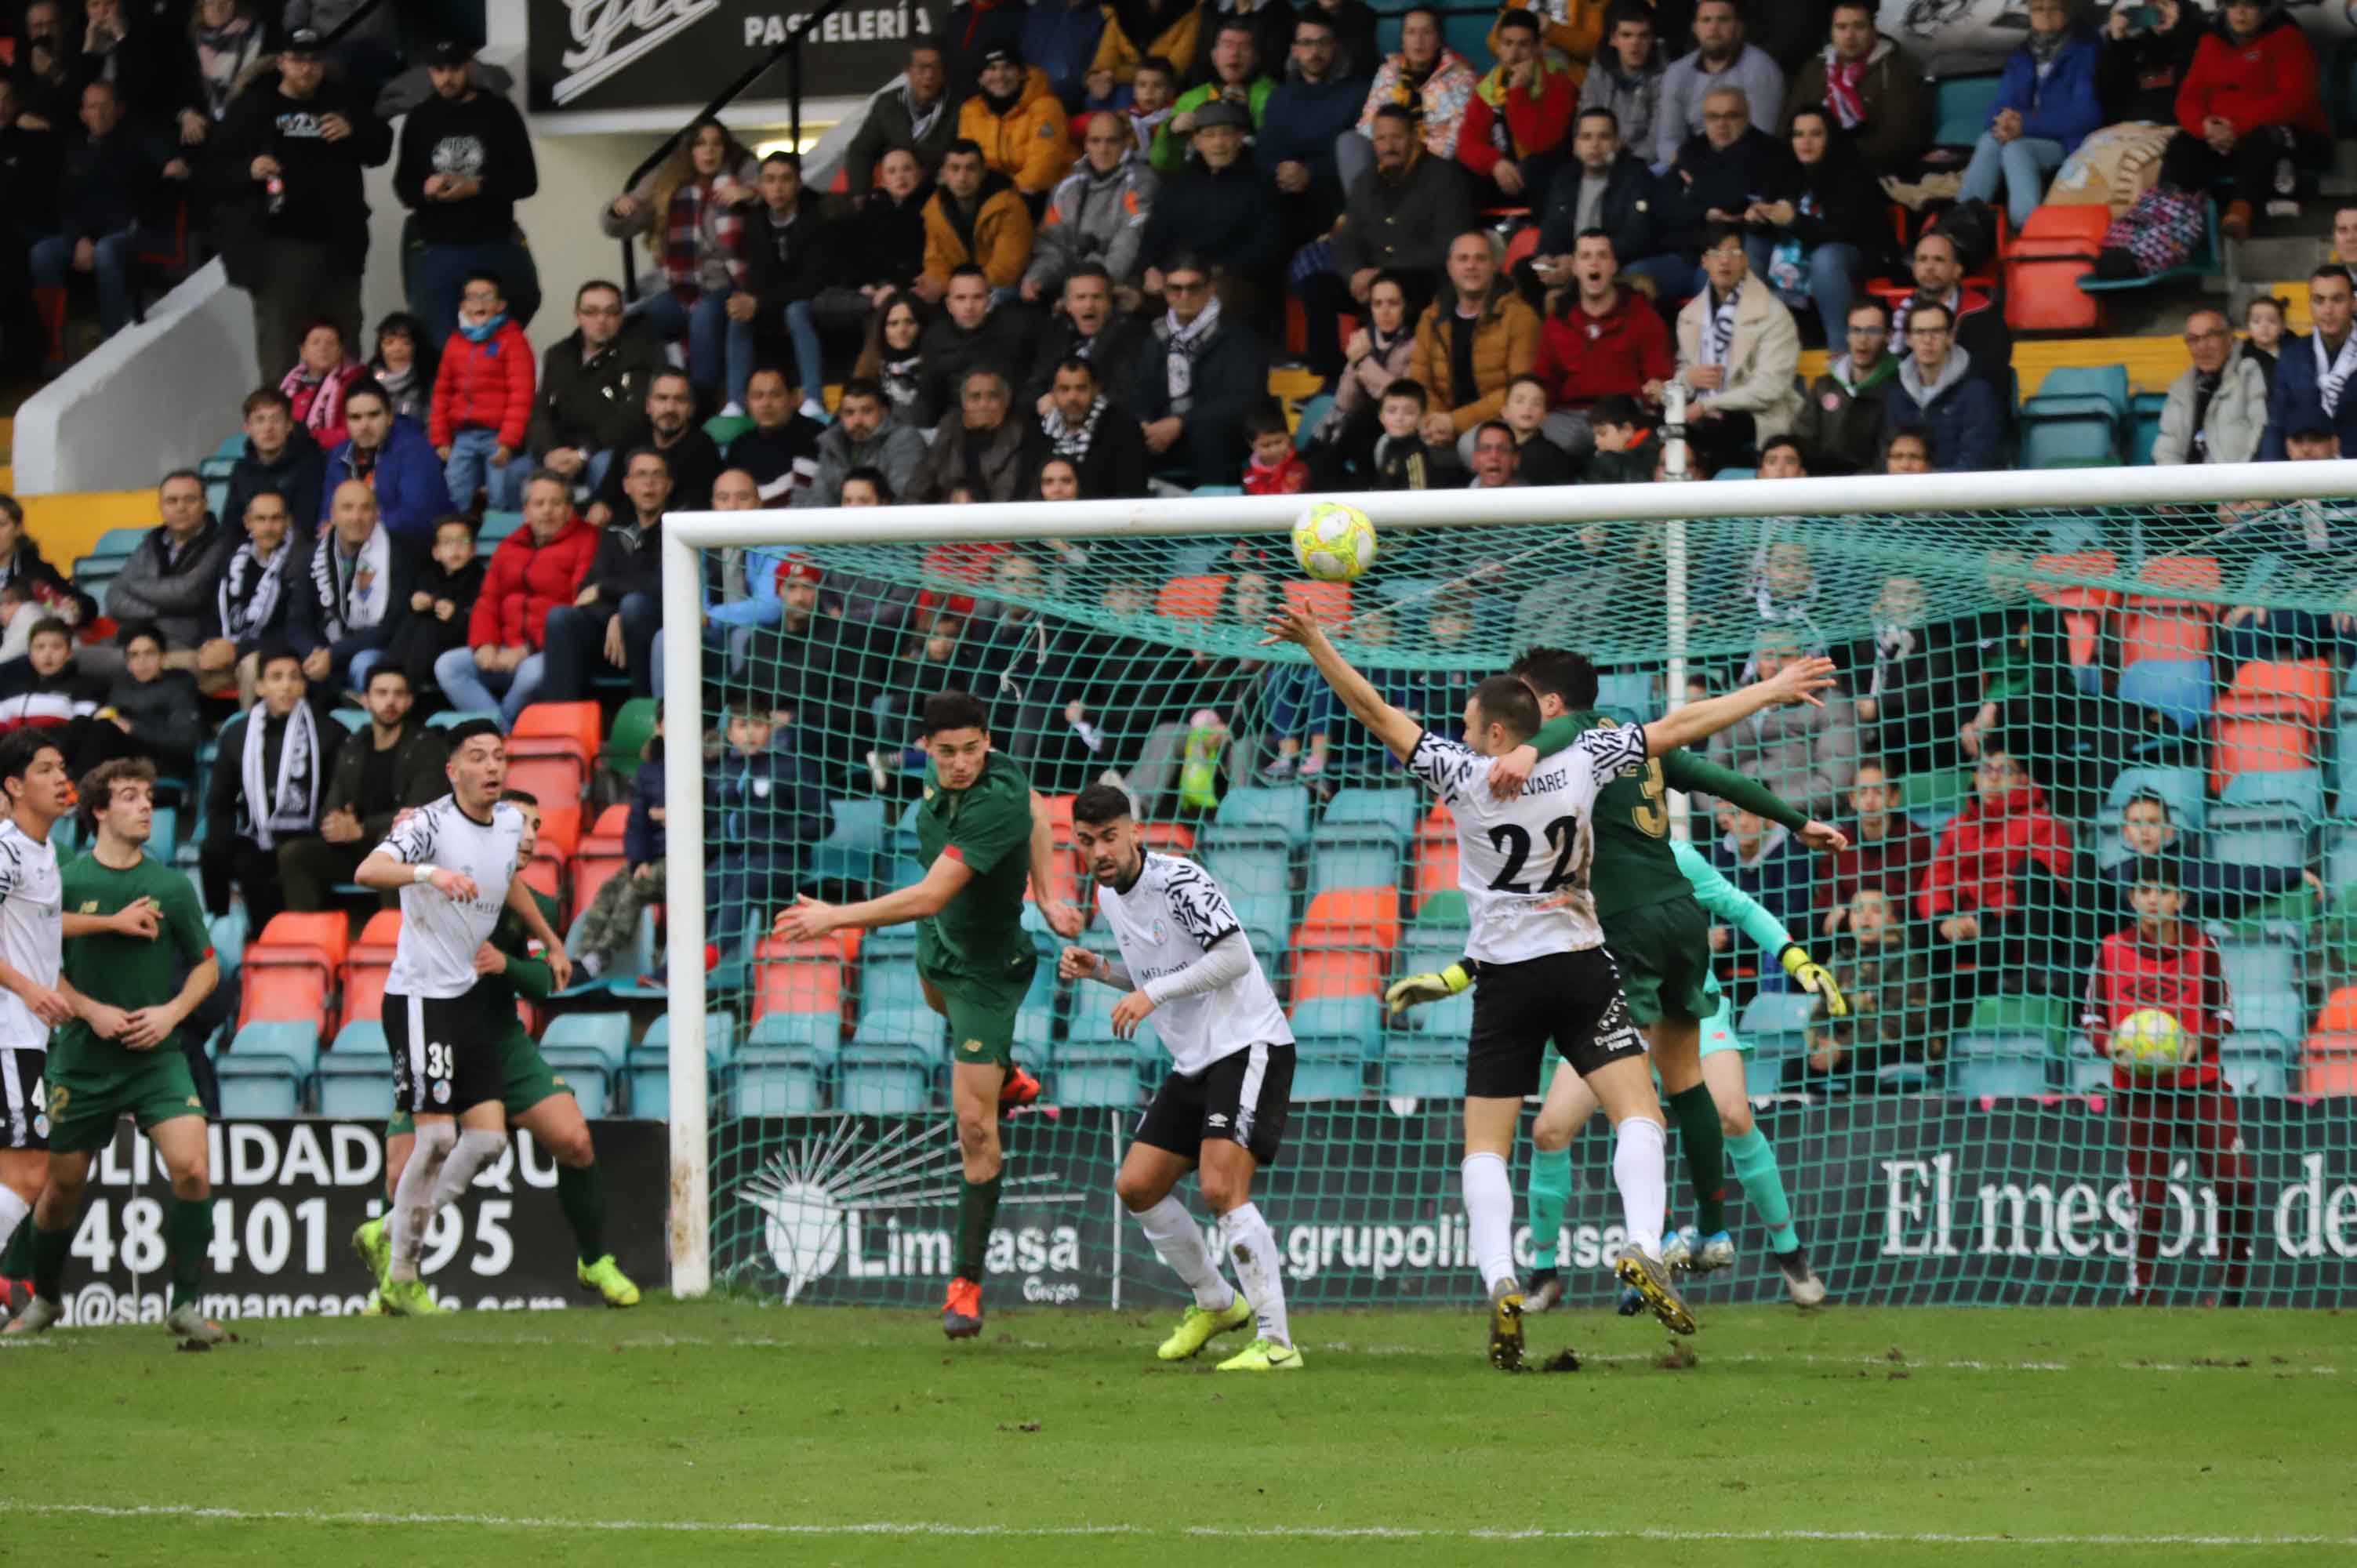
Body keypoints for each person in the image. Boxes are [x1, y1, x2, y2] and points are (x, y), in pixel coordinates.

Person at [1277, 615, 1834, 1359]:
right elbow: (1682, 726)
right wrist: (1772, 688)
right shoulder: (1588, 761)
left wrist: (1317, 644)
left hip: (1504, 981)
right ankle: (1643, 1241)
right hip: (1580, 966)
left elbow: (1374, 709)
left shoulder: (1461, 775)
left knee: (1487, 1144)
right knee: (1642, 1112)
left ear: (1499, 733)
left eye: (1472, 728)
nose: (1464, 737)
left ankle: (1504, 1280)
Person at [1414, 646, 1849, 1301]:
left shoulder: (1568, 748)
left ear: (1551, 706)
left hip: (1617, 934)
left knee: (1615, 1110)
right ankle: (1704, 1234)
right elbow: (1708, 773)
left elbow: (1561, 742)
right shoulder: (1626, 738)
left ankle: (1652, 1244)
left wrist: (1528, 751)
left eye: (1530, 700)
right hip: (1677, 915)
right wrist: (1797, 820)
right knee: (1679, 1086)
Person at [774, 690, 1084, 1339]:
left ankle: (965, 1284)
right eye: (948, 753)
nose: (962, 763)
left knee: (974, 1130)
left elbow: (934, 890)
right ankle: (1004, 1079)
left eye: (974, 749)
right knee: (931, 1002)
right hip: (940, 950)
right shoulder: (943, 778)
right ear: (927, 750)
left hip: (989, 971)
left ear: (987, 742)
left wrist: (834, 917)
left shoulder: (993, 797)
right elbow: (1037, 813)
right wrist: (1049, 895)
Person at [1523, 838, 1838, 1309]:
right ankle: (1547, 1274)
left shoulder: (1675, 856)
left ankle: (1790, 1256)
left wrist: (1796, 958)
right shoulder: (1571, 862)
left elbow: (1742, 908)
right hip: (1614, 1009)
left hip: (1691, 1003)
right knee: (1550, 1130)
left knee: (1732, 1114)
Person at [353, 789, 635, 1312]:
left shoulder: (535, 906)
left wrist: (511, 963)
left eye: (535, 826)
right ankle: (391, 1286)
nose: (528, 835)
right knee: (402, 1167)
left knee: (573, 1140)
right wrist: (408, 841)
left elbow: (544, 986)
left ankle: (595, 1259)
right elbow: (385, 869)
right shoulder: (446, 857)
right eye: (519, 824)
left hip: (498, 1039)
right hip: (430, 1023)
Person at [1062, 784, 1302, 1370]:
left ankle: (1276, 1341)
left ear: (1135, 830)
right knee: (1137, 1185)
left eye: (1110, 837)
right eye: (1088, 841)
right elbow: (1157, 972)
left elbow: (1233, 958)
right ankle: (1217, 1302)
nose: (1100, 851)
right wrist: (1105, 973)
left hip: (1249, 1043)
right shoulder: (1108, 896)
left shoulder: (1181, 881)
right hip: (1194, 1059)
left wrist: (1151, 993)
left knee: (1221, 1190)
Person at [0, 749, 231, 1343]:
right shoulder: (66, 876)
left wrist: (172, 1012)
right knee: (55, 1190)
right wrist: (89, 1009)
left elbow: (208, 968)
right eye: (129, 797)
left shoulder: (170, 886)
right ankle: (44, 1298)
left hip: (157, 1057)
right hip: (82, 1058)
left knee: (193, 1169)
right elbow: (41, 956)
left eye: (149, 798)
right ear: (98, 810)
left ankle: (185, 1304)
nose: (144, 807)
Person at [349, 721, 568, 1316]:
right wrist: (430, 874)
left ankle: (387, 1230)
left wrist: (551, 940)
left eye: (500, 756)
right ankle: (402, 1275)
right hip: (420, 998)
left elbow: (507, 882)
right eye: (478, 757)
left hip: (467, 999)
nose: (493, 767)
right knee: (439, 1136)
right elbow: (368, 871)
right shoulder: (428, 825)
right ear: (454, 771)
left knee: (490, 1141)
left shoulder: (507, 825)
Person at [2082, 858, 2251, 1305]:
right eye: (2144, 890)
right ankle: (2146, 1296)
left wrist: (2199, 1042)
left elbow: (2227, 1014)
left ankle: (2231, 1291)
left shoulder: (2205, 948)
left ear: (2181, 899)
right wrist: (2109, 1047)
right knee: (2148, 1200)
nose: (2153, 898)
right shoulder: (2111, 949)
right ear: (2133, 898)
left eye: (2163, 890)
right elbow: (2091, 1018)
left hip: (2202, 1086)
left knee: (2237, 1184)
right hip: (2140, 1091)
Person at [212, 27, 390, 377]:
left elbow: (381, 147)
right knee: (281, 352)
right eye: (297, 60)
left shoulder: (342, 99)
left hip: (339, 242)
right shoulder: (253, 106)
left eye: (313, 60)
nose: (306, 69)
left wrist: (354, 130)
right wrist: (249, 169)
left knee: (344, 345)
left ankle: (345, 425)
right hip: (278, 246)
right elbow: (213, 170)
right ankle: (282, 429)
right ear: (281, 63)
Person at [1298, 102, 1471, 383]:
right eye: (1381, 138)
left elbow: (1450, 247)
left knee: (1397, 289)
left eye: (1396, 137)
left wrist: (1382, 275)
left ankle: (1396, 374)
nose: (1388, 146)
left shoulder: (1444, 177)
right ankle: (1329, 380)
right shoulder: (1365, 182)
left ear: (1415, 137)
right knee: (1317, 286)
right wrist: (1354, 274)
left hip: (1423, 279)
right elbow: (1346, 240)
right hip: (1371, 282)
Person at [27, 78, 189, 367]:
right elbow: (65, 203)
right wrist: (78, 240)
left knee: (106, 251)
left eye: (104, 106)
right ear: (82, 114)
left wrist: (172, 166)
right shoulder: (76, 147)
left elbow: (170, 164)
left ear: (118, 110)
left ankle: (112, 342)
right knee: (43, 254)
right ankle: (51, 346)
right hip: (84, 237)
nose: (98, 114)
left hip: (129, 234)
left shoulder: (137, 140)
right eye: (92, 107)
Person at [600, 118, 759, 408]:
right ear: (690, 151)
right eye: (701, 145)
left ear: (726, 149)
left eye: (716, 144)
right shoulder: (669, 182)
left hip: (727, 285)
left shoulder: (741, 173)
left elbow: (774, 192)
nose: (709, 152)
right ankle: (639, 399)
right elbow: (622, 223)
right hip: (680, 287)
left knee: (704, 316)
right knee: (633, 324)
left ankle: (703, 403)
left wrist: (750, 193)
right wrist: (618, 209)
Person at [394, 38, 539, 339]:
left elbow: (527, 181)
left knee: (506, 327)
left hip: (494, 242)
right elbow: (404, 187)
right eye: (438, 69)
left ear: (469, 66)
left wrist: (477, 187)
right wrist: (426, 190)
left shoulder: (500, 112)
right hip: (437, 247)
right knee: (437, 341)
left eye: (455, 68)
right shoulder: (419, 118)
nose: (447, 77)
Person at [277, 664, 444, 912]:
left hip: (406, 850)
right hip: (357, 849)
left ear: (409, 701)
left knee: (393, 842)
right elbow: (333, 800)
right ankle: (311, 939)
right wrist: (334, 823)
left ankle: (391, 934)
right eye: (382, 693)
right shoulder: (354, 745)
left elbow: (418, 814)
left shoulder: (427, 746)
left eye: (398, 694)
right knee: (295, 854)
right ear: (365, 700)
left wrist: (361, 830)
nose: (390, 701)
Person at [435, 472, 596, 728]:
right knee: (448, 666)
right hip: (503, 649)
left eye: (555, 503)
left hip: (546, 652)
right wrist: (484, 644)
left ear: (568, 509)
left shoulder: (586, 541)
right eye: (539, 503)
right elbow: (488, 601)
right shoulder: (509, 547)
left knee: (532, 674)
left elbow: (575, 610)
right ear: (526, 511)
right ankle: (506, 735)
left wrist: (526, 650)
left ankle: (498, 732)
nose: (547, 511)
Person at [199, 644, 340, 932]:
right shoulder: (238, 734)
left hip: (310, 837)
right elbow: (219, 802)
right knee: (216, 850)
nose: (286, 686)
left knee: (289, 859)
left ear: (303, 685)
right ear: (261, 687)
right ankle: (221, 933)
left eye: (294, 677)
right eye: (277, 678)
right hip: (257, 835)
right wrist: (221, 838)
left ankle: (282, 943)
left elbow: (338, 795)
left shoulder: (329, 731)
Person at [1919, 748, 2072, 1004]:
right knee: (1921, 936)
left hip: (2010, 923)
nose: (1993, 778)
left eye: (2005, 770)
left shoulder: (2043, 824)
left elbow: (2044, 885)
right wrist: (1944, 917)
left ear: (2023, 779)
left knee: (1998, 937)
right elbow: (1936, 880)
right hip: (1962, 920)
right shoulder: (1956, 827)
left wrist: (1986, 914)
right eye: (1986, 769)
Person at [2165, 0, 2326, 241]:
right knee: (2182, 143)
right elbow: (2189, 97)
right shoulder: (2210, 42)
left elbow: (2295, 100)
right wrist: (2204, 126)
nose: (2240, 13)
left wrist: (2236, 127)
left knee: (2261, 139)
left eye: (2249, 5)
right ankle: (2171, 217)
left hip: (2285, 135)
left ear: (2265, 9)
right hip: (2222, 137)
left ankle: (2240, 213)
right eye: (2233, 5)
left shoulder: (2286, 37)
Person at [1665, 221, 1803, 467]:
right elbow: (1684, 375)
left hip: (1759, 418)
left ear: (1745, 261)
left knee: (1717, 432)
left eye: (1733, 253)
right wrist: (1685, 380)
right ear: (1704, 262)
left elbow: (1768, 389)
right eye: (1716, 254)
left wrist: (1707, 404)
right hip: (1705, 416)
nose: (1725, 261)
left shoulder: (1773, 314)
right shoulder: (1690, 316)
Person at [1530, 229, 1673, 465]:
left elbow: (1660, 375)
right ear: (1575, 267)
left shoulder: (1641, 314)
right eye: (1586, 256)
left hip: (1623, 416)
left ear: (1614, 266)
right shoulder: (1558, 319)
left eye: (1602, 256)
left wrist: (1655, 391)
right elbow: (1544, 379)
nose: (1594, 263)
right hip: (1569, 418)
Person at [1959, 0, 2101, 230]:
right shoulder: (2022, 54)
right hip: (2024, 133)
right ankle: (1963, 225)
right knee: (1990, 139)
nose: (2045, 15)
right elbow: (1998, 106)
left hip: (2066, 143)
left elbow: (2086, 116)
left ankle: (2027, 230)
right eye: (2038, 9)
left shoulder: (2086, 51)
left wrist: (2025, 125)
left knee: (2016, 149)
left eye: (2053, 8)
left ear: (2067, 11)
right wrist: (2003, 122)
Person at [1138, 99, 1283, 321]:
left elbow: (1267, 247)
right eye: (1209, 135)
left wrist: (1212, 275)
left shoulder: (1261, 184)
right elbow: (1154, 234)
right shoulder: (1179, 184)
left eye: (1226, 134)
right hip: (1176, 276)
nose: (1218, 143)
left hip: (1231, 280)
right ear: (1196, 141)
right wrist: (1151, 268)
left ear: (1239, 138)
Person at [1755, 106, 1887, 346]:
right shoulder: (1784, 171)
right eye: (1798, 134)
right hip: (1795, 256)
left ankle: (1841, 351)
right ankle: (1752, 342)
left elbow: (1844, 232)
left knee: (1825, 258)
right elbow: (1772, 221)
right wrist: (1757, 217)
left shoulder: (1852, 172)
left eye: (1815, 134)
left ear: (1830, 137)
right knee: (1750, 244)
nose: (1805, 142)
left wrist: (1794, 221)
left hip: (1851, 253)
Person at [543, 450, 667, 703]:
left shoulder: (676, 529)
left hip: (657, 632)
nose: (649, 483)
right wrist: (613, 615)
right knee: (560, 617)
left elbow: (664, 585)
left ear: (669, 485)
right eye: (641, 475)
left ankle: (646, 714)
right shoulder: (612, 533)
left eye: (657, 475)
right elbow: (586, 591)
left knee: (634, 607)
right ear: (626, 485)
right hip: (611, 640)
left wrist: (610, 594)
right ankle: (565, 724)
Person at [1524, 107, 1679, 308]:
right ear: (1575, 146)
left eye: (1604, 137)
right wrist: (1545, 259)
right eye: (1586, 137)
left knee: (1634, 279)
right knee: (1524, 272)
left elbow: (1637, 238)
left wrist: (1579, 262)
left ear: (1617, 143)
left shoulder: (1635, 176)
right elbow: (1551, 229)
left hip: (1617, 266)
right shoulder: (1565, 178)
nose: (1595, 145)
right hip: (1571, 265)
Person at [527, 281, 667, 497]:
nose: (601, 320)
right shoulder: (558, 354)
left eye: (610, 312)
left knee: (604, 465)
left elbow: (634, 414)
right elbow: (541, 411)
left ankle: (602, 530)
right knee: (515, 472)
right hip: (561, 448)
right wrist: (550, 452)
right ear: (577, 315)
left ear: (621, 316)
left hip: (609, 449)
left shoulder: (640, 351)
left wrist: (584, 454)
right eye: (591, 312)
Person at [2098, 792, 2319, 926]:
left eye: (2153, 822)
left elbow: (2236, 879)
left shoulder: (2188, 867)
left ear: (2169, 830)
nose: (2145, 830)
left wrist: (2291, 874)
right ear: (2126, 832)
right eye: (2137, 823)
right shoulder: (2113, 875)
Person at [1409, 230, 1541, 450]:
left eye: (1480, 259)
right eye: (1463, 259)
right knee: (1390, 443)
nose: (1471, 266)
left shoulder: (1521, 317)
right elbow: (1420, 383)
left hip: (1501, 422)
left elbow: (1520, 391)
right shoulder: (1431, 317)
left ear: (1495, 266)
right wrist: (1435, 421)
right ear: (1450, 267)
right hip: (1442, 422)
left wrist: (1455, 422)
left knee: (1469, 447)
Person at [1803, 884, 1936, 1087]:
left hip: (1901, 1050)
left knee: (1861, 1067)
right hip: (1844, 1050)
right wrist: (1824, 1045)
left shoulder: (1907, 962)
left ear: (1891, 920)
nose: (1865, 918)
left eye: (1875, 911)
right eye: (1857, 911)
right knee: (1796, 1070)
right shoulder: (1840, 962)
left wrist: (1842, 1049)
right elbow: (1820, 1014)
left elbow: (1899, 1023)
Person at [732, 153, 830, 422]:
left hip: (814, 300)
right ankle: (735, 402)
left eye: (786, 179)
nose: (778, 188)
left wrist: (761, 302)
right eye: (770, 180)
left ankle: (813, 398)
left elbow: (813, 281)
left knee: (796, 311)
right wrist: (749, 301)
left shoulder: (817, 217)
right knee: (736, 311)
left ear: (798, 183)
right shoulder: (755, 222)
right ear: (760, 186)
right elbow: (758, 277)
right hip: (773, 301)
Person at [293, 481, 416, 695]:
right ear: (333, 514)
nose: (356, 517)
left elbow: (391, 626)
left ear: (377, 513)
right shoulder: (311, 557)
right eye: (347, 508)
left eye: (365, 508)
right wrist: (314, 653)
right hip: (322, 652)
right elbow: (297, 619)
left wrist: (334, 654)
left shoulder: (399, 555)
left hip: (374, 649)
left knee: (363, 664)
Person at [1781, 0, 1928, 176]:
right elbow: (1786, 127)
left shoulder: (1895, 69)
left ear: (1873, 30)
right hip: (1809, 170)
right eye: (1841, 27)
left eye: (1859, 26)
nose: (1850, 36)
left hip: (1870, 173)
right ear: (1832, 32)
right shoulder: (1815, 69)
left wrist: (1834, 157)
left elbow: (1899, 139)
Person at [430, 270, 536, 515]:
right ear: (463, 306)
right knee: (455, 490)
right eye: (472, 297)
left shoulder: (513, 340)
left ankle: (499, 550)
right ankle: (459, 546)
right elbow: (441, 392)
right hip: (463, 436)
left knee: (500, 497)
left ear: (500, 305)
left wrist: (508, 440)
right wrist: (441, 438)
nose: (479, 303)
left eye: (486, 296)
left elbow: (522, 394)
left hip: (497, 436)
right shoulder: (455, 342)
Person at [1669, 83, 1793, 288]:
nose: (1721, 124)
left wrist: (1698, 190)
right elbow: (1667, 202)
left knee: (1710, 279)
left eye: (1731, 116)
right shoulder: (1691, 149)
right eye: (1713, 117)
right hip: (1692, 246)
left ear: (1747, 116)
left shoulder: (1770, 151)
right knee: (1638, 276)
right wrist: (1706, 212)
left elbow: (1743, 205)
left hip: (1742, 247)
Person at [105, 472, 235, 662]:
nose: (181, 507)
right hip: (136, 638)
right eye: (172, 501)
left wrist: (133, 586)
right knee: (76, 659)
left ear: (205, 503)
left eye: (190, 499)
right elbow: (113, 598)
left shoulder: (222, 543)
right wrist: (165, 611)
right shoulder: (152, 542)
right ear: (161, 506)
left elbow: (189, 593)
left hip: (186, 644)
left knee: (126, 665)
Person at [1257, 11, 1367, 234]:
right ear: (1295, 50)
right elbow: (1264, 152)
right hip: (1282, 201)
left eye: (1322, 43)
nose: (1315, 52)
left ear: (1334, 46)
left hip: (1336, 201)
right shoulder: (1279, 97)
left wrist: (1311, 173)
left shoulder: (1359, 93)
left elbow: (1357, 157)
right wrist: (1281, 170)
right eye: (1306, 43)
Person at [1343, 7, 1476, 192]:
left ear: (1438, 39)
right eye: (1411, 32)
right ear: (1403, 40)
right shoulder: (1389, 72)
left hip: (1436, 162)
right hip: (1390, 154)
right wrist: (1390, 150)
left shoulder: (1461, 76)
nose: (1418, 40)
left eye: (1426, 32)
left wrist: (1413, 161)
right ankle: (1363, 210)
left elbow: (1456, 136)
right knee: (1349, 142)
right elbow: (1368, 124)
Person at [1026, 121, 1157, 302]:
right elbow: (1052, 241)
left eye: (1112, 141)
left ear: (1126, 142)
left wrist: (1086, 291)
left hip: (1115, 284)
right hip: (1071, 284)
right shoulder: (1067, 183)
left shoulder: (1140, 182)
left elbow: (1127, 243)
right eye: (1095, 141)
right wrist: (1038, 278)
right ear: (1086, 144)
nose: (1103, 149)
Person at [1456, 8, 1575, 205]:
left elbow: (1539, 143)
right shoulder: (1488, 86)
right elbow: (1466, 143)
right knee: (1459, 173)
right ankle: (1474, 236)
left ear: (1538, 47)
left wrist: (1518, 91)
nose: (1514, 54)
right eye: (1508, 44)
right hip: (1504, 175)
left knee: (1535, 166)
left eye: (1523, 45)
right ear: (1499, 47)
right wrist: (1495, 163)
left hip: (1545, 178)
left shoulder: (1558, 83)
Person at [205, 490, 310, 704]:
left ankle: (250, 734)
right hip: (231, 649)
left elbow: (295, 629)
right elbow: (213, 612)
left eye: (276, 519)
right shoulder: (233, 560)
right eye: (261, 519)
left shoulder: (301, 561)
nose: (269, 527)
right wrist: (210, 645)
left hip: (274, 654)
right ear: (247, 523)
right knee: (174, 664)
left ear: (287, 522)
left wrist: (236, 649)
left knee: (253, 666)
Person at [1654, 0, 1785, 169]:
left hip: (1745, 167)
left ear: (1739, 27)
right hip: (1687, 165)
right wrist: (1688, 167)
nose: (1714, 28)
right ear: (1695, 28)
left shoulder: (1761, 69)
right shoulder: (1678, 72)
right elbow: (1668, 140)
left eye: (1723, 20)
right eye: (1706, 20)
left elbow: (1759, 140)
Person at [1810, 760, 1934, 936]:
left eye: (1878, 792)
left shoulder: (1915, 840)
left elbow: (1917, 898)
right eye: (1863, 792)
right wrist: (1841, 910)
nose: (1869, 800)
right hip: (1850, 927)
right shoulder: (1840, 841)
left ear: (1894, 798)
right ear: (1852, 799)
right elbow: (1829, 896)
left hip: (1900, 929)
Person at [1879, 299, 2001, 473]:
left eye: (1936, 331)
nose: (1928, 340)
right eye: (1920, 332)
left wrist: (1929, 483)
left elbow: (1978, 463)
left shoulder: (1977, 394)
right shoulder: (1895, 395)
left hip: (1959, 495)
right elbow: (1887, 458)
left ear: (1950, 337)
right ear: (1908, 339)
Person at [318, 380, 443, 545]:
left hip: (408, 548)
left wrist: (358, 526)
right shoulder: (339, 455)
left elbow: (416, 517)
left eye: (373, 415)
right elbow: (328, 514)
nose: (365, 425)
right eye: (356, 417)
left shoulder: (416, 450)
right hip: (354, 546)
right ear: (346, 423)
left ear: (390, 417)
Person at [587, 371, 722, 523]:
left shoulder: (704, 449)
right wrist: (600, 505)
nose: (670, 408)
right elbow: (608, 491)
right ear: (648, 406)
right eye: (662, 398)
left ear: (691, 409)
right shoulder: (633, 439)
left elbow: (695, 512)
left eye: (679, 400)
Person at [1893, 228, 2011, 401]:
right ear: (1914, 268)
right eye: (1922, 259)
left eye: (1939, 260)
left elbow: (1991, 377)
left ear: (1957, 270)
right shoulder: (1899, 313)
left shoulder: (1984, 314)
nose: (1930, 267)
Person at [1149, 20, 1275, 176]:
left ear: (1256, 56)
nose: (1235, 53)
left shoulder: (1273, 95)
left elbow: (1276, 157)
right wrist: (1171, 133)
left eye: (1243, 47)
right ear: (1214, 56)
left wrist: (1245, 115)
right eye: (1228, 45)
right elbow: (1161, 163)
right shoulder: (1191, 98)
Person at [2259, 265, 2357, 460]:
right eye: (2319, 300)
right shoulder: (2291, 356)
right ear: (2310, 305)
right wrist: (2271, 482)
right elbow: (2277, 424)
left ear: (2353, 303)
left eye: (2337, 299)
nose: (2328, 310)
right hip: (2305, 477)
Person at [919, 264, 1037, 422]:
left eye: (977, 297)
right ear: (949, 305)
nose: (969, 307)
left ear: (989, 300)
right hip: (956, 425)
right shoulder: (935, 338)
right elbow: (929, 398)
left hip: (1010, 421)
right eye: (961, 298)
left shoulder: (1014, 329)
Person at [1792, 298, 1897, 474]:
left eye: (1872, 331)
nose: (1862, 339)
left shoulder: (1899, 387)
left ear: (1889, 336)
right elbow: (1802, 440)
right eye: (1855, 330)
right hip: (1821, 486)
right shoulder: (1824, 385)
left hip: (1872, 489)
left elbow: (1889, 456)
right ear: (1847, 335)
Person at [2153, 307, 2268, 466]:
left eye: (2211, 336)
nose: (2202, 347)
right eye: (2193, 339)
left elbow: (2261, 433)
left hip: (2238, 481)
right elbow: (2167, 448)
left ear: (2229, 338)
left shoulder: (2249, 373)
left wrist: (2241, 480)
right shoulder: (2181, 388)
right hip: (2188, 484)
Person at [387, 516, 487, 696]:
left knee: (429, 627)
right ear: (436, 552)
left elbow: (482, 623)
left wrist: (456, 614)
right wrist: (416, 603)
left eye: (462, 542)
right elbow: (414, 606)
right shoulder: (429, 576)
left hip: (458, 643)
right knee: (411, 622)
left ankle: (405, 690)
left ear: (473, 550)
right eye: (447, 542)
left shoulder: (481, 579)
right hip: (423, 648)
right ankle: (386, 679)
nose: (455, 548)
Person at [921, 138, 1034, 296]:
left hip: (1002, 290)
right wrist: (941, 285)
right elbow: (935, 263)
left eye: (971, 169)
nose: (962, 177)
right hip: (958, 291)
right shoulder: (934, 210)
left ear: (983, 172)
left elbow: (1008, 270)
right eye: (955, 169)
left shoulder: (1009, 206)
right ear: (944, 173)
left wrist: (959, 288)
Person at [1023, 263, 1149, 406]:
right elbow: (1035, 385)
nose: (1089, 305)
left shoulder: (1131, 334)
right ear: (1068, 305)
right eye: (1081, 297)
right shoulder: (1056, 332)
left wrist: (1062, 401)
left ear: (1110, 303)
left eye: (1097, 297)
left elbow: (1123, 395)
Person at [959, 45, 1070, 200]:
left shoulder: (1046, 106)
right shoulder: (971, 110)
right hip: (996, 193)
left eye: (1008, 67)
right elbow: (967, 160)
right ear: (981, 78)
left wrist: (1003, 192)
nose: (1000, 75)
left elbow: (1043, 168)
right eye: (991, 68)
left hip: (1047, 194)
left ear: (1022, 74)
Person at [99, 623, 204, 784]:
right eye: (134, 655)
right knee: (85, 723)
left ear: (163, 657)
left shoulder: (179, 685)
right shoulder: (121, 685)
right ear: (127, 662)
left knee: (105, 731)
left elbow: (185, 740)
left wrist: (133, 728)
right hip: (122, 759)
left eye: (150, 653)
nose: (142, 661)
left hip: (163, 761)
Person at [799, 377, 928, 508]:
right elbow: (819, 501)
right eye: (849, 413)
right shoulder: (831, 444)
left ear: (884, 412)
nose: (857, 421)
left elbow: (906, 500)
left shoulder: (905, 440)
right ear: (841, 416)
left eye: (867, 411)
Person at [843, 43, 957, 191]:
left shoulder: (959, 107)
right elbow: (860, 150)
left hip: (940, 193)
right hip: (896, 193)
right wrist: (860, 196)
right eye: (922, 67)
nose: (929, 75)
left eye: (936, 67)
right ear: (908, 71)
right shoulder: (888, 104)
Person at [1033, 354, 1149, 499]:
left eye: (1081, 389)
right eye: (1064, 389)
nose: (1072, 397)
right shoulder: (1041, 429)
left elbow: (1131, 495)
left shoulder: (1124, 430)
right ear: (1053, 392)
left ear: (1096, 389)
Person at [220, 387, 325, 537]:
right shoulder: (241, 470)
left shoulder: (310, 465)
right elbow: (230, 529)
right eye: (260, 420)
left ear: (289, 426)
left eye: (276, 419)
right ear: (247, 428)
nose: (268, 428)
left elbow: (304, 526)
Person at [913, 369, 1030, 504]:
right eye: (975, 397)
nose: (983, 404)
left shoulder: (1022, 437)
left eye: (993, 396)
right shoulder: (949, 433)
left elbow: (1011, 496)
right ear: (964, 403)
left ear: (1006, 401)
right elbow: (918, 488)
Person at [1577, 2, 1663, 164]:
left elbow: (1656, 141)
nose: (1635, 43)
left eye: (1643, 36)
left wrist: (1624, 170)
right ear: (1613, 40)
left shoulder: (1664, 77)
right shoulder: (1599, 71)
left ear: (1652, 39)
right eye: (1626, 35)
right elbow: (1585, 125)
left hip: (1641, 167)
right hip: (1597, 161)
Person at [726, 368, 826, 506]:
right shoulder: (739, 446)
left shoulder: (818, 437)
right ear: (747, 402)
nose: (766, 403)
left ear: (794, 398)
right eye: (757, 396)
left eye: (776, 395)